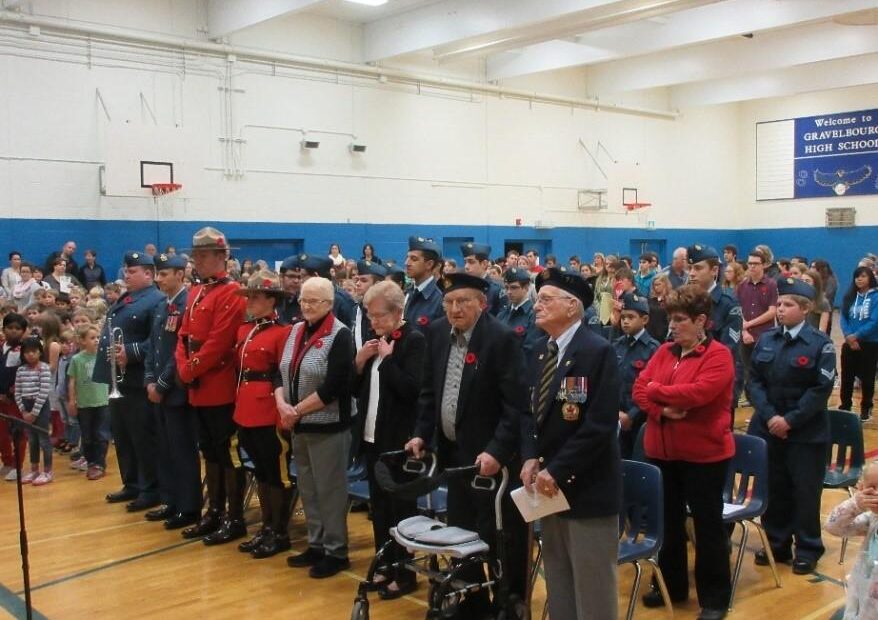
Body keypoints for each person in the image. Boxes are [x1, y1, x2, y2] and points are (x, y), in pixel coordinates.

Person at [405, 272, 529, 616]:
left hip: (493, 460)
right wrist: (421, 433)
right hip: (454, 455)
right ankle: (473, 600)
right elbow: (428, 393)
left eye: (463, 302)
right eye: (449, 302)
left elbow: (516, 407)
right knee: (462, 532)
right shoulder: (436, 334)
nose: (454, 309)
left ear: (482, 304)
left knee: (501, 536)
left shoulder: (502, 339)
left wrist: (497, 450)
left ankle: (508, 603)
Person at [519, 267, 622, 620]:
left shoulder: (597, 351)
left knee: (593, 592)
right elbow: (528, 413)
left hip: (587, 490)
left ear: (572, 306)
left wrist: (558, 469)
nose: (537, 306)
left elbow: (599, 425)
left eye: (546, 300)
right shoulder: (540, 350)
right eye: (538, 299)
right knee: (559, 584)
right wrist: (530, 457)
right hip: (549, 490)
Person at [633, 284, 735, 620]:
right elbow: (638, 390)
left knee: (707, 527)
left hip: (704, 457)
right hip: (662, 454)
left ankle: (715, 598)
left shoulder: (718, 355)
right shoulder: (664, 352)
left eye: (680, 320)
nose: (672, 326)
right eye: (670, 319)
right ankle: (672, 587)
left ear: (701, 320)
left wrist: (656, 390)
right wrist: (660, 409)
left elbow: (698, 393)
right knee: (669, 524)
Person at [746, 277, 835, 575]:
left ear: (805, 308)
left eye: (788, 304)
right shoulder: (767, 340)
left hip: (806, 433)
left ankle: (808, 548)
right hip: (769, 428)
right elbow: (754, 382)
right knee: (775, 488)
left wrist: (789, 420)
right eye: (780, 303)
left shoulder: (820, 344)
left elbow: (820, 390)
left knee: (805, 492)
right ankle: (777, 542)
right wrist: (771, 417)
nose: (781, 309)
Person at [276, 276, 355, 578]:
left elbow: (334, 387)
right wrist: (282, 405)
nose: (306, 306)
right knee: (308, 488)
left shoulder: (340, 335)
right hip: (298, 424)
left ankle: (336, 551)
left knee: (330, 491)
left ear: (329, 303)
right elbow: (279, 372)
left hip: (328, 426)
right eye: (303, 300)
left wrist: (295, 411)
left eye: (313, 301)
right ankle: (317, 544)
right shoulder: (295, 330)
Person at [174, 227, 248, 544]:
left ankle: (234, 517)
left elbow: (219, 342)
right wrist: (183, 367)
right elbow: (183, 335)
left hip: (219, 384)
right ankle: (214, 512)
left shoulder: (232, 292)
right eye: (196, 256)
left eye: (203, 256)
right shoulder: (196, 291)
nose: (197, 261)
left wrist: (190, 369)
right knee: (209, 452)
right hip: (198, 384)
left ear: (222, 256)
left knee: (226, 454)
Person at [353, 281, 425, 599]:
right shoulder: (377, 341)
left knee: (401, 510)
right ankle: (384, 564)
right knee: (380, 508)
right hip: (372, 437)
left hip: (398, 440)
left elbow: (412, 390)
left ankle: (405, 573)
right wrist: (361, 361)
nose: (374, 322)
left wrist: (389, 360)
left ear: (398, 312)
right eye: (370, 316)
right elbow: (359, 390)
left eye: (379, 316)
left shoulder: (414, 340)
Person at [92, 251, 164, 511]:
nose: (126, 274)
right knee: (123, 436)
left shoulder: (156, 300)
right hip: (119, 380)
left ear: (148, 274)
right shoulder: (127, 297)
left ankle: (150, 488)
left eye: (132, 271)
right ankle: (131, 483)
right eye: (126, 270)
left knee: (142, 437)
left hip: (137, 378)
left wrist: (131, 352)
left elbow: (158, 340)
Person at [233, 271, 295, 559]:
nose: (250, 302)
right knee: (259, 470)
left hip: (269, 408)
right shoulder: (245, 330)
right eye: (249, 297)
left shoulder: (282, 332)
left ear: (272, 300)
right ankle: (266, 527)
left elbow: (283, 374)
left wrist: (282, 417)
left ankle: (279, 532)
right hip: (246, 406)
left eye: (256, 297)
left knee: (275, 473)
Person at [143, 253, 202, 530]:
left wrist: (162, 384)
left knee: (182, 451)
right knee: (164, 449)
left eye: (164, 274)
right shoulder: (162, 305)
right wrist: (149, 379)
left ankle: (188, 507)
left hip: (176, 391)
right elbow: (153, 347)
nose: (159, 279)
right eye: (158, 273)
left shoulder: (187, 304)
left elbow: (180, 353)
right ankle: (170, 501)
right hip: (157, 389)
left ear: (180, 274)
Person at [825, 461, 878, 619]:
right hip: (862, 600)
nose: (876, 494)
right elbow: (833, 526)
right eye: (872, 488)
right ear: (861, 488)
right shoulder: (871, 520)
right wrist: (855, 504)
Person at [613, 292, 660, 458]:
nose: (625, 321)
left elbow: (652, 387)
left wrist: (632, 415)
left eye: (631, 317)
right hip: (617, 417)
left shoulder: (653, 349)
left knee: (639, 460)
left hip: (641, 419)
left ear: (644, 319)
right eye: (623, 317)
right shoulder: (617, 345)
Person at [67, 324, 110, 480]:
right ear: (82, 341)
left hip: (103, 402)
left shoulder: (104, 356)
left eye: (98, 337)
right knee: (87, 436)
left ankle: (100, 464)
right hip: (84, 404)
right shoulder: (76, 359)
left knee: (102, 434)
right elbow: (72, 381)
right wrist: (72, 401)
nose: (97, 340)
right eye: (92, 338)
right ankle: (91, 462)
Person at [839, 266, 878, 421]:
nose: (859, 279)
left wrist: (857, 336)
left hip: (869, 344)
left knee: (867, 378)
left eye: (863, 276)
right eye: (857, 276)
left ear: (870, 278)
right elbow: (843, 317)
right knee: (847, 377)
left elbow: (875, 321)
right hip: (849, 343)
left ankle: (866, 407)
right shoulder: (850, 296)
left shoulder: (876, 297)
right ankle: (845, 405)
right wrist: (848, 336)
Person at [737, 249, 778, 388]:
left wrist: (749, 324)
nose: (752, 266)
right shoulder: (742, 285)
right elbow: (738, 309)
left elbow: (772, 311)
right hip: (745, 336)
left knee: (764, 370)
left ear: (763, 265)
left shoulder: (771, 285)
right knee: (747, 370)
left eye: (756, 263)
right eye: (750, 263)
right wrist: (744, 330)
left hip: (764, 335)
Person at [15, 337, 53, 486]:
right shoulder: (21, 370)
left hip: (40, 406)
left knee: (43, 439)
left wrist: (34, 413)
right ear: (23, 354)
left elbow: (44, 391)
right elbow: (17, 392)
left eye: (34, 351)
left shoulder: (44, 368)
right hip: (26, 406)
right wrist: (23, 411)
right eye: (27, 352)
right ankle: (34, 470)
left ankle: (48, 471)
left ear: (40, 352)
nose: (30, 354)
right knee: (32, 439)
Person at [0, 313, 27, 481]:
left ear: (23, 331)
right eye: (10, 328)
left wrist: (10, 393)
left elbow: (25, 373)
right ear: (4, 329)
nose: (14, 331)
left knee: (18, 432)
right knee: (1, 432)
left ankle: (18, 466)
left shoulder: (25, 350)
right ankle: (7, 461)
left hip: (15, 398)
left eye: (18, 328)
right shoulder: (1, 347)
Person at [298, 254, 356, 328]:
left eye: (303, 276)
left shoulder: (340, 300)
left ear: (316, 276)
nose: (300, 281)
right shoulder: (304, 297)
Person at [497, 267, 539, 364]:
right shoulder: (502, 314)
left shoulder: (533, 315)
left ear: (526, 287)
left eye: (514, 287)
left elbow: (529, 350)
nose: (509, 292)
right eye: (506, 287)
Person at [403, 236, 444, 335]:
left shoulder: (440, 301)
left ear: (429, 264)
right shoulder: (406, 294)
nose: (407, 263)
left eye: (414, 259)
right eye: (407, 258)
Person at [460, 242, 505, 316]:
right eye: (465, 262)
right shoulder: (463, 288)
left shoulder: (497, 290)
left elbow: (502, 319)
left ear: (484, 264)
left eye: (471, 262)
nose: (466, 266)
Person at [352, 260, 387, 351]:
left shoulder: (386, 312)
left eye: (363, 280)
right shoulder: (356, 309)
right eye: (357, 280)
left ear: (377, 284)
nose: (358, 283)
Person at [801, 269, 831, 333]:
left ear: (815, 284)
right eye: (802, 280)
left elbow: (822, 330)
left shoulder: (823, 302)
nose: (804, 283)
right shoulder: (798, 299)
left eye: (807, 281)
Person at [278, 255, 303, 325]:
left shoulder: (304, 303)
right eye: (291, 276)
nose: (296, 281)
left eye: (299, 277)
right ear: (281, 277)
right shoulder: (272, 302)